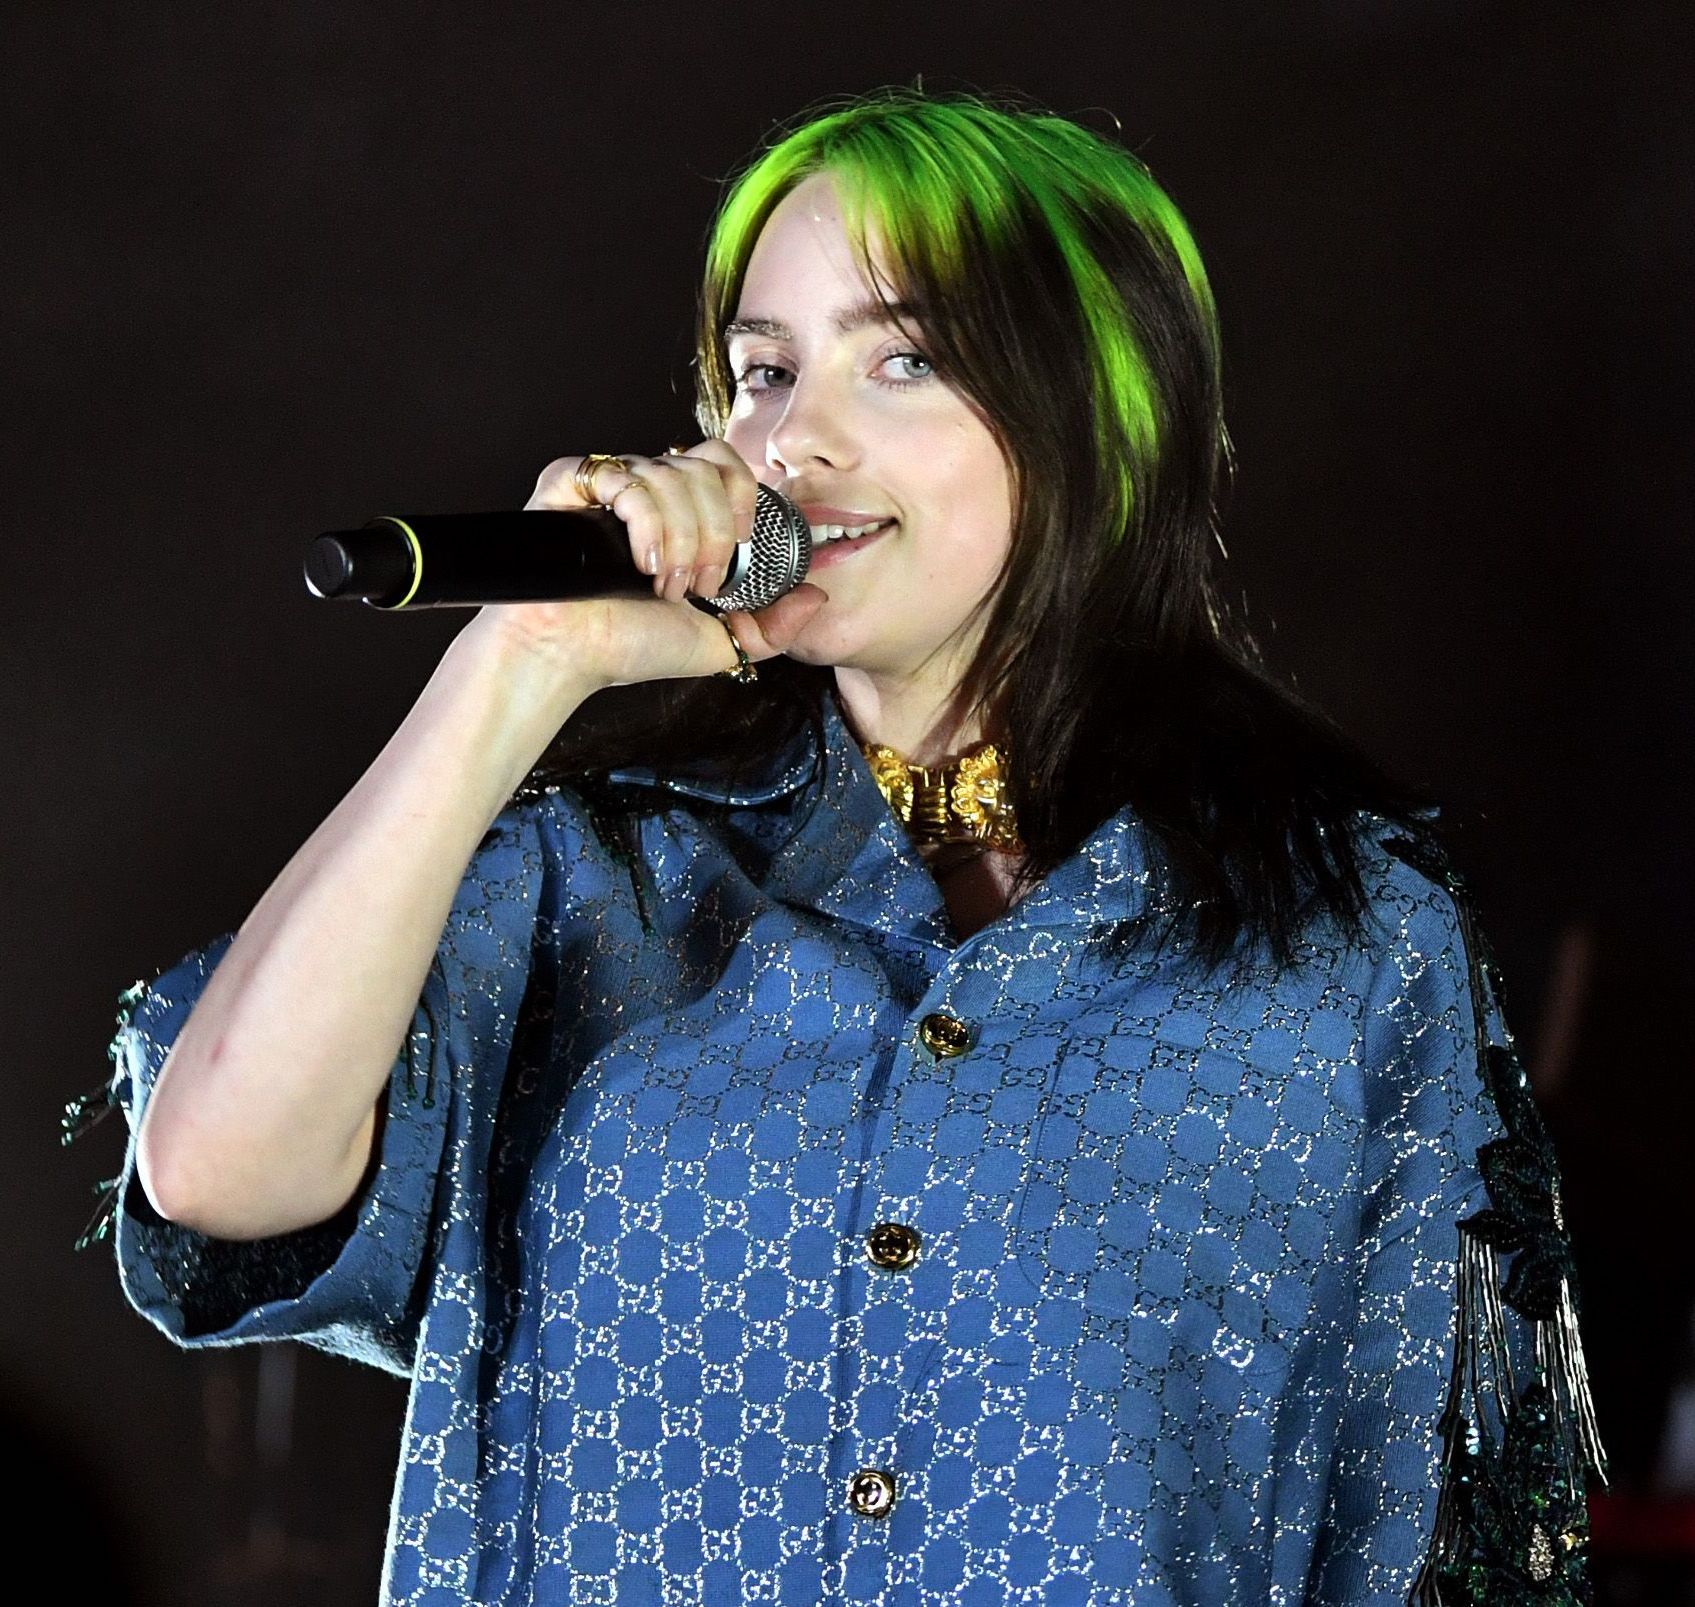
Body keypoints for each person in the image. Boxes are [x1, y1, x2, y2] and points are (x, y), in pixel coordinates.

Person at [74, 86, 1606, 1604]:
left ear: (1099, 408)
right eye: (758, 373)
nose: (792, 440)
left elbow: (1455, 1536)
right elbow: (217, 1171)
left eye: (905, 361)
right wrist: (516, 667)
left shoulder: (1344, 940)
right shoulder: (593, 884)